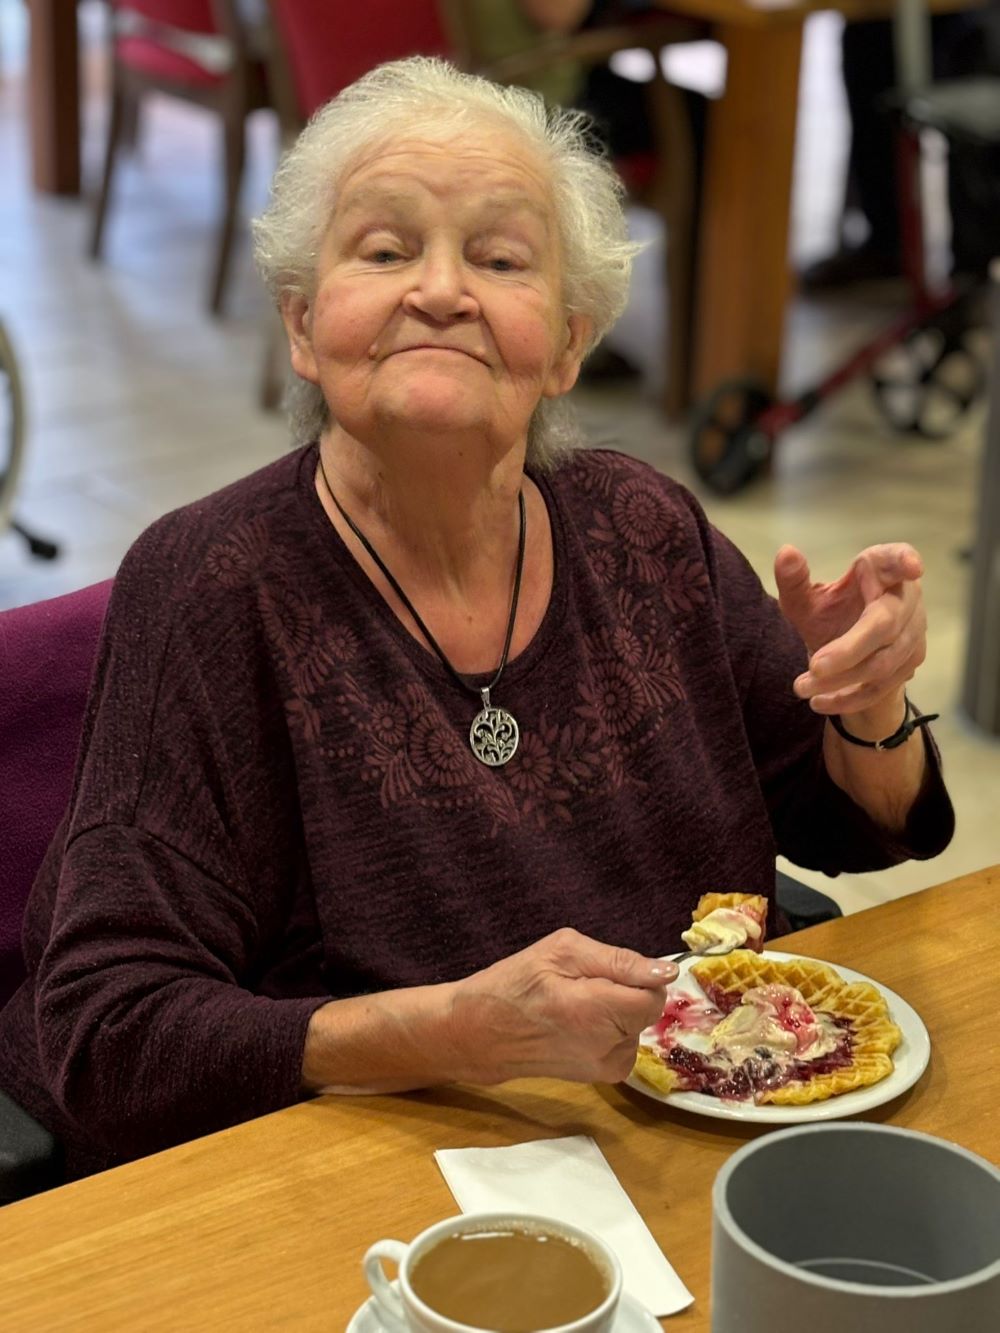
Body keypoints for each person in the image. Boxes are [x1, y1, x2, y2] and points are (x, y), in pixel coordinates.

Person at [0, 58, 953, 1181]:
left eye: (500, 258)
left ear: (563, 345)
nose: (441, 292)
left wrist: (866, 705)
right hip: (377, 1163)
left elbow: (854, 829)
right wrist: (448, 1028)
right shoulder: (213, 586)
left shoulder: (641, 525)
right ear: (304, 328)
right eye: (386, 249)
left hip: (691, 1132)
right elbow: (107, 1035)